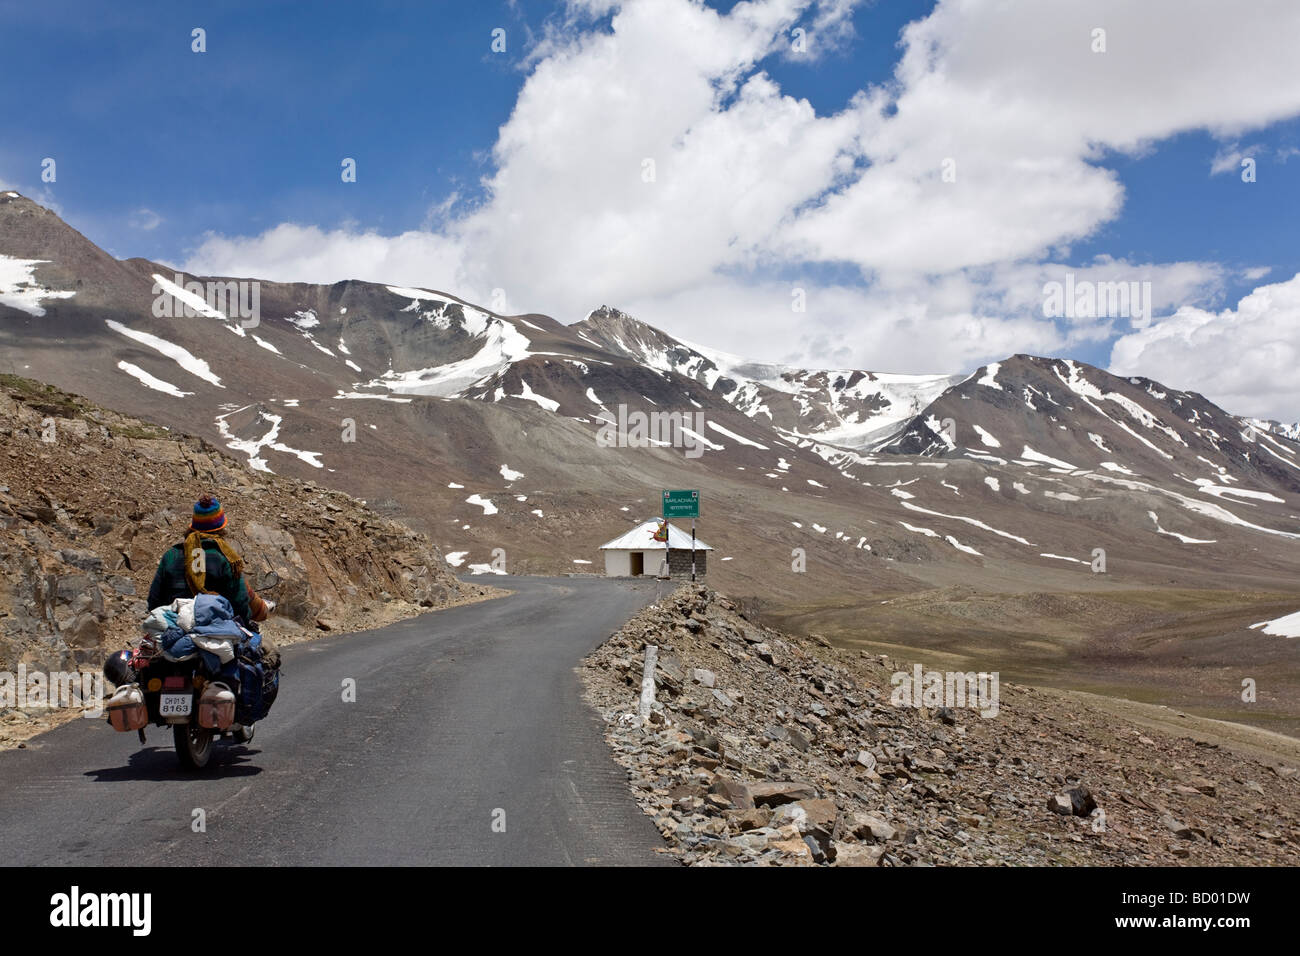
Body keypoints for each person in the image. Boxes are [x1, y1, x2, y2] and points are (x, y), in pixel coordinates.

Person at [147, 494, 271, 625]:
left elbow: (154, 600)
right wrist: (244, 621)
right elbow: (239, 601)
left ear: (193, 526)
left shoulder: (171, 555)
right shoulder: (226, 558)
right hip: (214, 628)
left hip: (173, 627)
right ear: (221, 527)